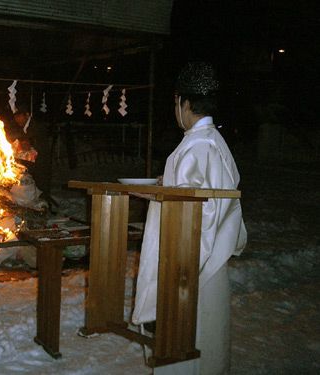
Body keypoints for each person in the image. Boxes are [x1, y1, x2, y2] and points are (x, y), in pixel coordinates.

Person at [132, 62, 247, 374]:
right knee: (206, 341)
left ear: (184, 103)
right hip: (209, 260)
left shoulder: (197, 145)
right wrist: (165, 188)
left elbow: (198, 212)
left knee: (186, 342)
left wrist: (158, 195)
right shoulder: (213, 141)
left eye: (176, 103)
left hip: (192, 262)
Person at [7, 104, 53, 204]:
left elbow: (38, 140)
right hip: (29, 161)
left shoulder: (36, 125)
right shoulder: (21, 126)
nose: (17, 119)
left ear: (27, 115)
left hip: (41, 161)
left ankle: (44, 206)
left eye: (19, 116)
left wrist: (28, 142)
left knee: (41, 185)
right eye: (15, 117)